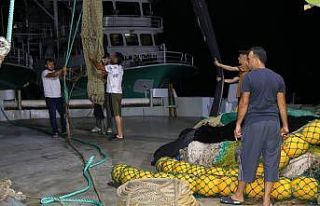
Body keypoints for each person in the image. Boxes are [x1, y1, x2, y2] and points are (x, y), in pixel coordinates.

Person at [220, 46, 289, 206]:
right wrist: (284, 125)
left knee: (248, 158)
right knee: (271, 161)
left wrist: (238, 124)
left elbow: (244, 103)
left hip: (254, 124)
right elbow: (282, 105)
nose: (247, 62)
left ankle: (238, 195)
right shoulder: (278, 78)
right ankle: (266, 201)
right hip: (273, 124)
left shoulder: (249, 78)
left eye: (249, 59)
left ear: (256, 58)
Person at [41, 58, 67, 138]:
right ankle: (55, 132)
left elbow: (61, 74)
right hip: (50, 98)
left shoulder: (55, 72)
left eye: (52, 64)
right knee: (53, 115)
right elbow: (53, 75)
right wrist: (62, 69)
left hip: (58, 97)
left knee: (63, 114)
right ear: (46, 65)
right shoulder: (45, 72)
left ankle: (64, 130)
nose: (51, 66)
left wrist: (64, 71)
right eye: (49, 64)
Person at [89, 53, 114, 135]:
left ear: (108, 59)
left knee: (108, 109)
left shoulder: (110, 67)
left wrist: (93, 60)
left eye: (105, 58)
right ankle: (98, 126)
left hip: (107, 91)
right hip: (98, 90)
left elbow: (103, 73)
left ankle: (109, 127)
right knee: (97, 107)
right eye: (102, 59)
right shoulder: (99, 66)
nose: (104, 60)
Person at [105, 52, 124, 140]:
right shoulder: (120, 68)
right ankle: (120, 133)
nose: (110, 57)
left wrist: (92, 60)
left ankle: (120, 135)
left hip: (113, 93)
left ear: (116, 59)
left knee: (116, 114)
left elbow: (99, 67)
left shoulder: (112, 67)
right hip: (119, 93)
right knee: (119, 114)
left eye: (112, 57)